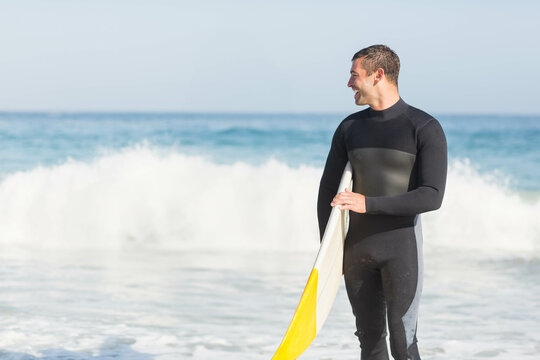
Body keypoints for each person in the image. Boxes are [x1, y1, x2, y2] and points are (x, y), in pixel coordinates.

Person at [317, 45, 447, 360]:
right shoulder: (350, 128)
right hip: (356, 251)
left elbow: (432, 195)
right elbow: (326, 193)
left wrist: (368, 204)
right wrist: (329, 251)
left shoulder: (424, 128)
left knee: (404, 343)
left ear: (378, 75)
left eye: (354, 75)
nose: (349, 84)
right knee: (370, 342)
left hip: (400, 249)